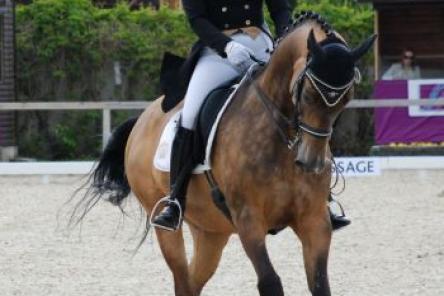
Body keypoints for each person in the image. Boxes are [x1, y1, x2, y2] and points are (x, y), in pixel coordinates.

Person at [152, 0, 350, 231]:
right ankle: (175, 201)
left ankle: (322, 199)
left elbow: (280, 8)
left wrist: (283, 37)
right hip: (217, 53)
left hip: (263, 47)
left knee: (303, 100)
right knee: (189, 115)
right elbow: (197, 19)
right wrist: (226, 46)